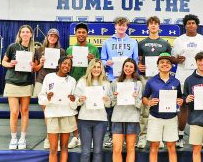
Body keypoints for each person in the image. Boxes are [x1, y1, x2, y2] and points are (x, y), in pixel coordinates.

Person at [143, 53, 184, 162]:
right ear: (158, 65)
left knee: (171, 146)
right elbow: (144, 97)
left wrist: (180, 101)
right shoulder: (151, 81)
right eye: (162, 62)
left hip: (171, 118)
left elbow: (180, 98)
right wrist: (148, 102)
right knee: (154, 146)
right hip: (155, 117)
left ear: (171, 66)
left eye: (167, 62)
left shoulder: (176, 82)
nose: (165, 64)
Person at [172, 14, 203, 148]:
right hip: (182, 76)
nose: (191, 25)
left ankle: (199, 137)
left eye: (193, 23)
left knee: (201, 106)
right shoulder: (178, 40)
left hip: (200, 77)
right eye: (188, 23)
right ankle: (180, 136)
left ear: (197, 25)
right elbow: (173, 59)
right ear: (185, 25)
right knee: (183, 106)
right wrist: (178, 60)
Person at [38, 56, 77, 162]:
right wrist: (47, 98)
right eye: (65, 63)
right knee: (53, 148)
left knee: (65, 147)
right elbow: (41, 97)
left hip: (66, 114)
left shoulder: (72, 80)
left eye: (69, 65)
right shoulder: (49, 77)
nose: (67, 66)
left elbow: (75, 103)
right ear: (59, 64)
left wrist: (73, 100)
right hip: (53, 114)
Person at [101, 17, 138, 148]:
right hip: (113, 79)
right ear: (115, 26)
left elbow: (135, 61)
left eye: (124, 26)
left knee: (128, 107)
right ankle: (112, 136)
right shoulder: (107, 42)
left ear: (127, 27)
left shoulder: (133, 42)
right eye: (119, 25)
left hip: (128, 80)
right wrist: (107, 63)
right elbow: (102, 60)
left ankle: (130, 136)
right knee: (112, 109)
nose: (121, 28)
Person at [74, 59, 111, 162]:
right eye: (94, 67)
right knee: (85, 150)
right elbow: (75, 100)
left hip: (100, 119)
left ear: (102, 69)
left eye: (99, 67)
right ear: (90, 68)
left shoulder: (106, 83)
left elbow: (110, 103)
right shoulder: (82, 82)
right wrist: (80, 99)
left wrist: (107, 100)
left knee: (98, 149)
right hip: (84, 119)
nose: (96, 69)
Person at [137, 16, 172, 149]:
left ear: (159, 26)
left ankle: (159, 137)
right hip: (146, 78)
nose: (153, 26)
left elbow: (168, 62)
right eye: (151, 24)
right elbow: (139, 61)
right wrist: (139, 66)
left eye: (155, 23)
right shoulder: (141, 43)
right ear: (147, 26)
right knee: (145, 108)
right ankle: (143, 136)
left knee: (160, 107)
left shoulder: (165, 44)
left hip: (160, 78)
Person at [110, 58, 142, 162]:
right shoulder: (115, 82)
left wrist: (135, 97)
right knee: (116, 149)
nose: (128, 68)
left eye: (131, 66)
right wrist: (115, 96)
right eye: (126, 66)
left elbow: (140, 104)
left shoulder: (138, 83)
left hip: (132, 117)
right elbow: (110, 103)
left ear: (134, 69)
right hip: (117, 117)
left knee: (130, 149)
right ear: (123, 67)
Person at [67, 22, 100, 149]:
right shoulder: (70, 49)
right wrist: (68, 60)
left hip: (89, 82)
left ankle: (89, 137)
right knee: (74, 110)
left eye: (83, 32)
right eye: (79, 32)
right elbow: (66, 67)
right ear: (75, 34)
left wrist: (92, 60)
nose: (81, 34)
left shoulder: (93, 48)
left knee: (88, 109)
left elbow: (98, 65)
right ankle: (76, 137)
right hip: (74, 82)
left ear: (87, 34)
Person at [1, 25, 35, 150]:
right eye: (23, 32)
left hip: (26, 83)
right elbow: (3, 62)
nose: (25, 34)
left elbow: (36, 67)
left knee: (24, 111)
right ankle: (14, 138)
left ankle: (22, 138)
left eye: (28, 32)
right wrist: (10, 64)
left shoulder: (33, 49)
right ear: (20, 34)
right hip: (12, 82)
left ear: (31, 35)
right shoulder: (12, 46)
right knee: (14, 112)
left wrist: (33, 65)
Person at [33, 28, 66, 149]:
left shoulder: (61, 51)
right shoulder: (39, 50)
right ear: (47, 37)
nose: (52, 38)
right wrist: (41, 63)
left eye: (55, 36)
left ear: (57, 38)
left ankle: (52, 138)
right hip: (41, 81)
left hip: (55, 83)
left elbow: (65, 68)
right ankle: (49, 137)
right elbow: (35, 69)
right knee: (46, 112)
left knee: (54, 111)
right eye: (50, 36)